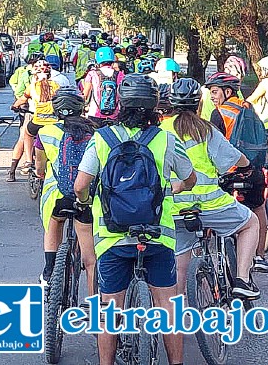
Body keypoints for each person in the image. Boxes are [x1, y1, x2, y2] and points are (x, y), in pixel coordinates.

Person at [74, 74, 197, 365]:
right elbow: (189, 178)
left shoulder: (102, 139)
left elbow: (80, 185)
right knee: (168, 304)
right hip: (157, 235)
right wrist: (176, 187)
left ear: (120, 103)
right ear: (156, 106)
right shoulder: (166, 140)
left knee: (110, 307)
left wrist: (84, 202)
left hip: (113, 238)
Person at [162, 78, 261, 299]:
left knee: (179, 266)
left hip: (174, 208)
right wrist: (248, 167)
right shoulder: (205, 130)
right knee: (250, 223)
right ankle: (243, 279)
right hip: (212, 206)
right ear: (199, 104)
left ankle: (176, 322)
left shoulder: (161, 131)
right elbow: (233, 157)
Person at [205, 72, 268, 273]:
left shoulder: (219, 114)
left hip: (228, 173)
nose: (212, 96)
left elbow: (212, 146)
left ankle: (208, 253)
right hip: (252, 171)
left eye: (215, 92)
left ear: (227, 91)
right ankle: (259, 256)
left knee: (212, 206)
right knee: (258, 207)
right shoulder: (249, 109)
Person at [35, 89, 96, 295]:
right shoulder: (94, 133)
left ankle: (49, 270)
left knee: (54, 224)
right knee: (90, 258)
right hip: (85, 196)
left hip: (58, 196)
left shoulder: (45, 132)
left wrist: (41, 174)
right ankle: (94, 299)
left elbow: (40, 167)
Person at [11, 60, 61, 174]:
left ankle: (29, 160)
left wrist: (14, 106)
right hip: (53, 121)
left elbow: (22, 99)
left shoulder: (32, 86)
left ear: (35, 74)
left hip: (38, 121)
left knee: (27, 134)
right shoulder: (56, 86)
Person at [7, 52, 42, 182]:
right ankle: (14, 170)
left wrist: (18, 104)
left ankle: (24, 163)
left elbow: (20, 93)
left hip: (32, 113)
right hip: (45, 115)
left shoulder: (31, 79)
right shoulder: (53, 81)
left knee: (24, 137)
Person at [82, 46, 125, 128]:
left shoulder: (92, 73)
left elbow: (85, 94)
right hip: (114, 115)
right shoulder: (120, 74)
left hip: (95, 114)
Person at [199, 55, 247, 121]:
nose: (239, 81)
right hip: (216, 126)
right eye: (237, 76)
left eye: (241, 78)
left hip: (208, 126)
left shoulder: (206, 89)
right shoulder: (235, 91)